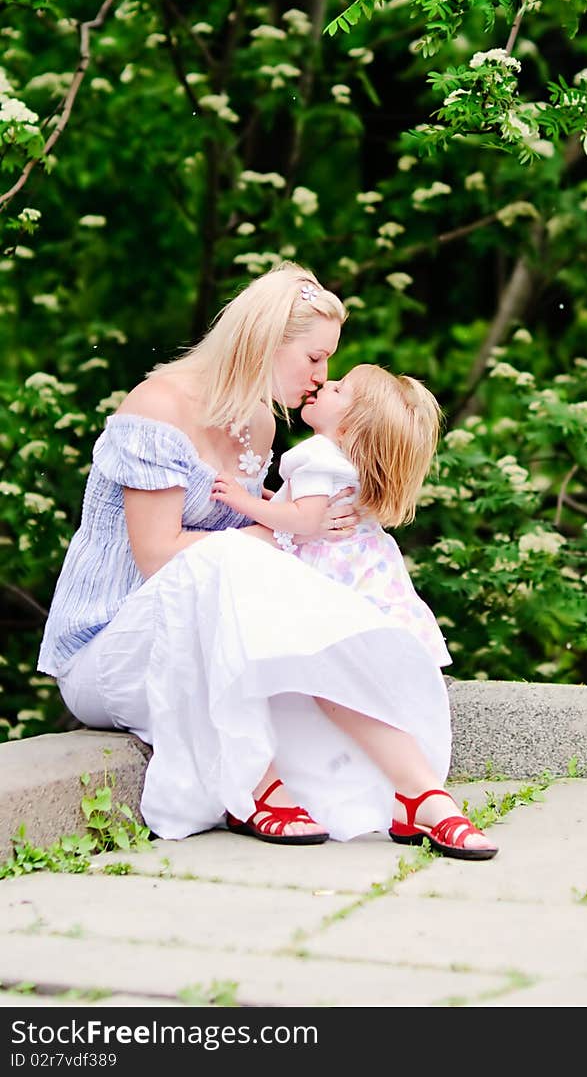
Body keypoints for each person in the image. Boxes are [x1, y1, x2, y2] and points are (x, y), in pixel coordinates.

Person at [37, 263, 497, 861]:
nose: (321, 376)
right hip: (109, 653)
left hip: (204, 633)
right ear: (265, 342)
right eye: (313, 357)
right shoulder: (157, 408)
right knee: (228, 561)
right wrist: (277, 535)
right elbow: (160, 559)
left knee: (306, 653)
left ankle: (421, 796)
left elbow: (256, 548)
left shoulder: (257, 421)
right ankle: (254, 790)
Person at [209, 363, 451, 669]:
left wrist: (243, 501)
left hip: (330, 568)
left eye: (339, 389)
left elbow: (305, 521)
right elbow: (307, 507)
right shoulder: (341, 463)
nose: (326, 382)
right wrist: (275, 501)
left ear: (349, 427)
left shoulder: (319, 456)